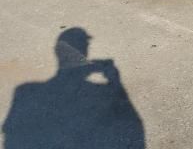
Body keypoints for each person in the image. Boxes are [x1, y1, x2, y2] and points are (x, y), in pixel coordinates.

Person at [2, 28, 145, 149]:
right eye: (85, 43)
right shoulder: (99, 91)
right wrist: (115, 80)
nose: (87, 46)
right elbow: (133, 122)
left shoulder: (24, 91)